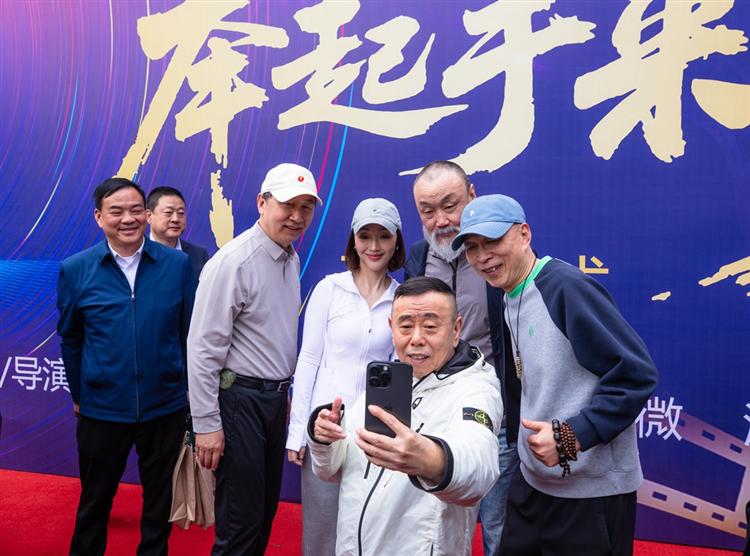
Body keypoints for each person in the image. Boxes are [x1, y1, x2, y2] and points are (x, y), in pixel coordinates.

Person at [452, 194, 659, 555]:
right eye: (472, 247)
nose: (482, 256)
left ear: (524, 234)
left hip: (590, 495)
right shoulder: (508, 293)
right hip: (534, 483)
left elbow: (635, 374)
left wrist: (572, 436)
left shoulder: (564, 287)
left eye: (492, 241)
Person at [308, 277, 502, 556]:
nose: (417, 338)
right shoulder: (389, 381)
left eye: (431, 326)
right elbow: (331, 471)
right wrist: (324, 439)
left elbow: (478, 468)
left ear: (456, 329)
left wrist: (430, 460)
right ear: (391, 328)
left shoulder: (475, 388)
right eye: (406, 326)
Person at [187, 163, 321, 555]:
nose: (297, 216)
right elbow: (203, 348)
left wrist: (282, 391)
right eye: (288, 205)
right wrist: (206, 424)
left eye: (306, 207)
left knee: (263, 514)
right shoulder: (233, 262)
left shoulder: (290, 257)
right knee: (240, 523)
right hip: (238, 402)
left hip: (272, 403)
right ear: (262, 202)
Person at [57, 177, 196, 556]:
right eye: (116, 211)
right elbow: (71, 338)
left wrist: (183, 388)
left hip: (164, 406)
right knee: (95, 501)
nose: (128, 219)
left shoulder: (177, 265)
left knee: (159, 503)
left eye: (136, 210)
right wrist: (81, 394)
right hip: (102, 409)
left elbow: (189, 333)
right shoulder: (77, 269)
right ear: (99, 217)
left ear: (147, 215)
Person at [404, 160, 520, 554]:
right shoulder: (417, 258)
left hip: (494, 415)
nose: (441, 221)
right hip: (434, 415)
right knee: (433, 526)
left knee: (498, 525)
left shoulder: (497, 255)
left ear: (472, 195)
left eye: (450, 206)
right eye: (427, 211)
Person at [286, 198, 405, 555]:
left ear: (396, 240)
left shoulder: (402, 299)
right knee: (322, 536)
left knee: (370, 535)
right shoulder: (329, 289)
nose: (374, 246)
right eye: (365, 236)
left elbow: (399, 370)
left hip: (373, 436)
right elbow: (308, 360)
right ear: (353, 240)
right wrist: (299, 431)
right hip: (326, 431)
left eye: (383, 236)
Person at [146, 186, 210, 278]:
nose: (176, 219)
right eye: (168, 212)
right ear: (149, 216)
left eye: (181, 213)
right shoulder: (137, 252)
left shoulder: (199, 255)